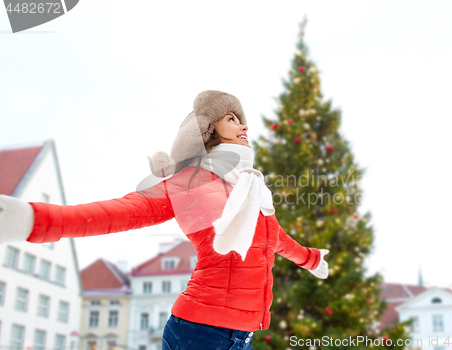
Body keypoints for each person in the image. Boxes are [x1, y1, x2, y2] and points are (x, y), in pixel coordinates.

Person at [0, 90, 329, 350]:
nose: (244, 126)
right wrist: (34, 220)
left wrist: (312, 259)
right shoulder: (190, 181)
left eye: (243, 120)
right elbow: (120, 212)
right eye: (232, 119)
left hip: (243, 337)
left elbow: (277, 241)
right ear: (208, 130)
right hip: (200, 334)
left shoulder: (251, 190)